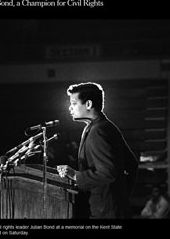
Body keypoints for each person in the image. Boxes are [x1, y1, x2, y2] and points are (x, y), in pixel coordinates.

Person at [57, 82, 139, 219]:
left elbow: (108, 173)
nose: (70, 108)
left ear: (88, 104)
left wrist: (76, 175)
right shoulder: (103, 127)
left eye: (74, 103)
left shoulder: (98, 130)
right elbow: (132, 165)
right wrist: (120, 197)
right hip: (110, 209)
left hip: (105, 213)